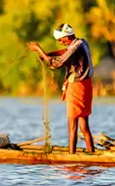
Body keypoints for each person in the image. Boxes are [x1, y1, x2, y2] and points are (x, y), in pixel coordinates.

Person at [27, 23, 96, 154]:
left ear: (66, 37)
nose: (60, 43)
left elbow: (56, 63)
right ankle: (92, 153)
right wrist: (49, 53)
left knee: (72, 125)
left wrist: (38, 49)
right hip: (86, 86)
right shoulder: (81, 42)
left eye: (60, 40)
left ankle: (71, 156)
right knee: (83, 125)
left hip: (77, 87)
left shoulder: (74, 48)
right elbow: (66, 52)